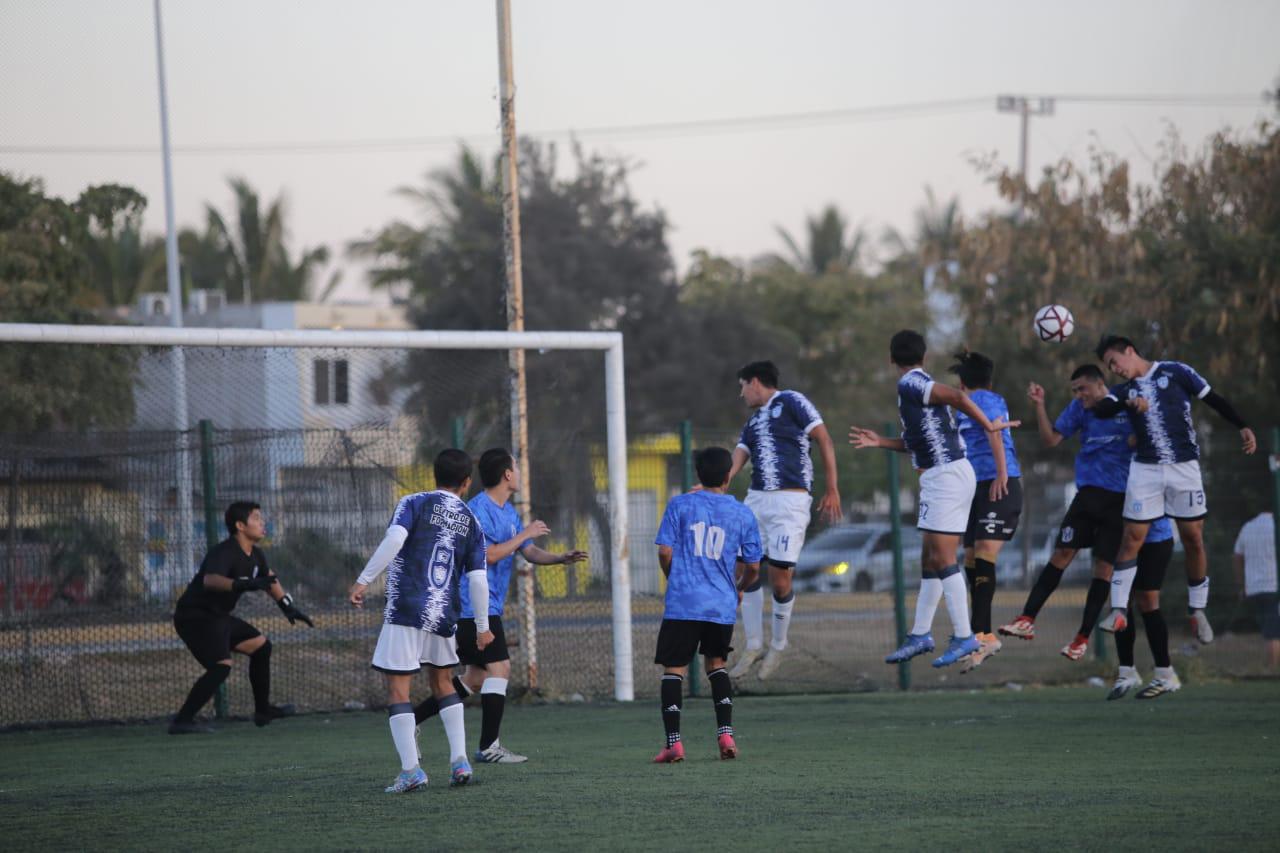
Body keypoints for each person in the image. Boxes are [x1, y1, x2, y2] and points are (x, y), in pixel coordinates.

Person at [849, 330, 1015, 668]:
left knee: (942, 558)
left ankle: (965, 635)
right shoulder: (917, 386)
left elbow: (957, 396)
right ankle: (921, 634)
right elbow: (919, 442)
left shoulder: (910, 383)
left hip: (946, 477)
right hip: (945, 475)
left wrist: (988, 426)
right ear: (923, 356)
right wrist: (880, 442)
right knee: (929, 558)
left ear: (891, 359)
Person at [1092, 335, 1256, 660]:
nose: (1115, 370)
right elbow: (1101, 408)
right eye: (1109, 367)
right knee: (1131, 539)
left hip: (1184, 468)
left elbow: (1213, 399)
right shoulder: (1124, 391)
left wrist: (1242, 425)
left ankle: (1198, 611)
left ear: (1130, 350)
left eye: (1115, 361)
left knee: (1193, 538)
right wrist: (1128, 403)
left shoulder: (1176, 371)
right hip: (1146, 470)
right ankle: (1119, 609)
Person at [432, 447, 589, 765]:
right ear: (507, 474)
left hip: (489, 606)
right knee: (500, 669)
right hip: (473, 605)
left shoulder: (509, 512)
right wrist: (525, 534)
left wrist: (559, 558)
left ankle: (414, 718)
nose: (519, 473)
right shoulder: (478, 509)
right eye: (516, 467)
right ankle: (489, 747)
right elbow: (488, 555)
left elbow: (528, 552)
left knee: (476, 678)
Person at [348, 449, 490, 793]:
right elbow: (478, 580)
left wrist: (364, 579)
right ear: (467, 482)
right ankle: (459, 761)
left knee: (399, 689)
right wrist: (483, 627)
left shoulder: (414, 502)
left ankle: (411, 771)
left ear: (434, 475)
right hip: (444, 612)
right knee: (443, 683)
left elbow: (395, 539)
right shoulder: (471, 520)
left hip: (407, 608)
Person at [998, 366, 1134, 660]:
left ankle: (1082, 638)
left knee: (1103, 569)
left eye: (1082, 389)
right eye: (1074, 390)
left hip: (1119, 500)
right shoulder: (1079, 409)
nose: (1078, 395)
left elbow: (1141, 439)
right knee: (1061, 554)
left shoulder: (1126, 406)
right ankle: (1026, 619)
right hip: (1086, 497)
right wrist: (1039, 406)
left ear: (1100, 384)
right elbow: (1051, 439)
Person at [726, 361, 840, 681]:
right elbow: (737, 459)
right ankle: (753, 645)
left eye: (743, 385)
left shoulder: (792, 401)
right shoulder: (752, 422)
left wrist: (832, 488)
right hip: (757, 500)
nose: (741, 393)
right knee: (744, 570)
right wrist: (715, 486)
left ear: (756, 382)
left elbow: (824, 439)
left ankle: (778, 644)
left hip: (790, 502)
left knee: (779, 580)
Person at [652, 447, 762, 764]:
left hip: (683, 602)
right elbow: (753, 567)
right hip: (720, 604)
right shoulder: (742, 513)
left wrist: (675, 578)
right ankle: (725, 734)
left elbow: (664, 552)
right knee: (717, 664)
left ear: (698, 475)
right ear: (729, 475)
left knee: (675, 669)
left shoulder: (680, 504)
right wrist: (739, 589)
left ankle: (674, 743)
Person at [169, 501, 313, 734]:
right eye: (256, 518)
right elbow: (210, 580)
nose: (262, 522)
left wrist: (288, 606)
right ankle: (182, 721)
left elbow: (268, 578)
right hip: (195, 617)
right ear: (240, 525)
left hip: (218, 617)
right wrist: (241, 584)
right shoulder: (225, 551)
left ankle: (263, 711)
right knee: (221, 666)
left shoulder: (255, 554)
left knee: (261, 646)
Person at [948, 350, 1020, 673]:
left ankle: (981, 634)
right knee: (970, 559)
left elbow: (993, 430)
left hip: (998, 484)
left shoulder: (986, 399)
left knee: (985, 553)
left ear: (962, 383)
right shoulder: (961, 407)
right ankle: (982, 634)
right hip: (973, 487)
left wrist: (1002, 473)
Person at [1108, 516, 1177, 699]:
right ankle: (1126, 671)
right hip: (1124, 540)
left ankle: (1165, 674)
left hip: (1154, 540)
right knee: (1119, 600)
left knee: (1147, 600)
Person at [1233, 511, 1278, 669]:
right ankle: (1273, 667)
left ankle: (1270, 664)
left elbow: (1237, 556)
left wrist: (1242, 585)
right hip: (1274, 585)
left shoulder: (1247, 527)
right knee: (1274, 630)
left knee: (1268, 628)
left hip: (1254, 587)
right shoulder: (1275, 526)